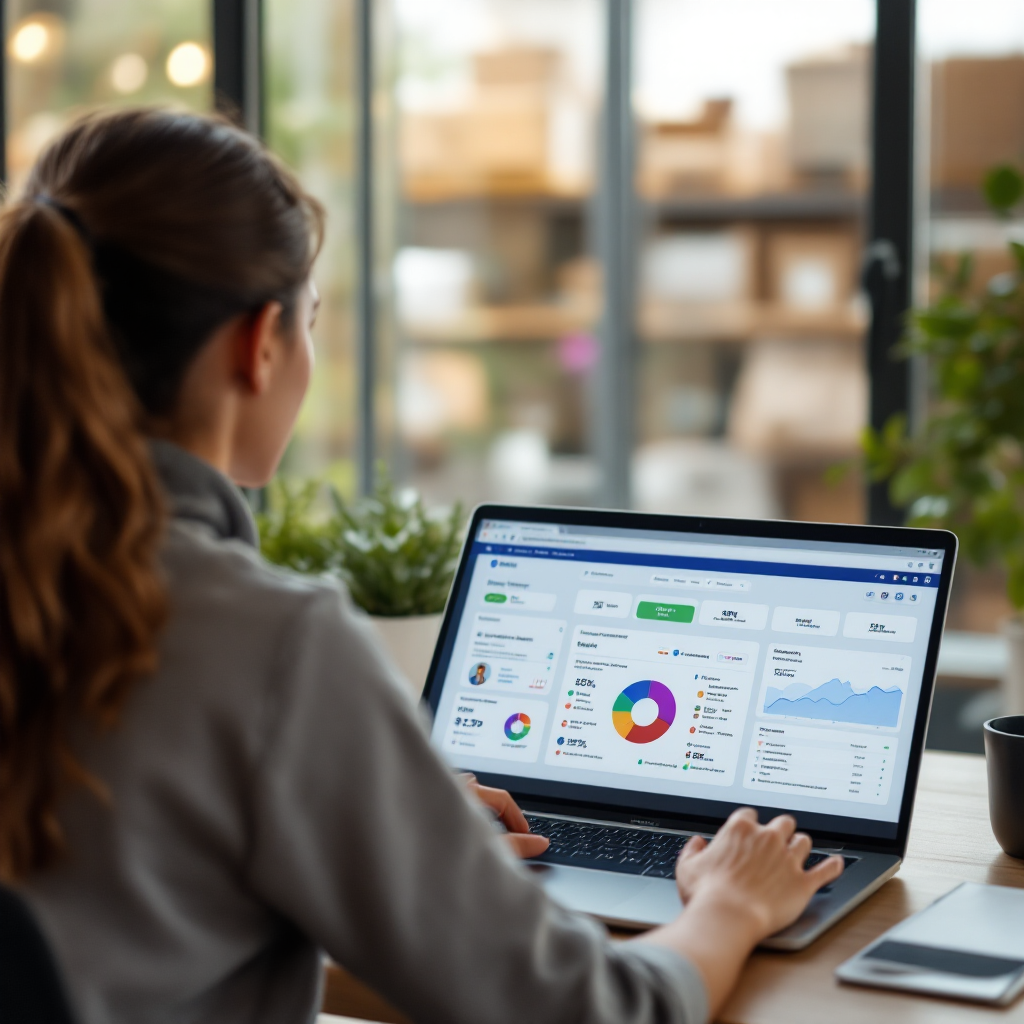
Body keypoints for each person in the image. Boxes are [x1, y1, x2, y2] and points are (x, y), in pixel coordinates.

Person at [0, 108, 843, 1024]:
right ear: (259, 344)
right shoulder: (267, 644)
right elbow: (591, 1013)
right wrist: (730, 904)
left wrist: (375, 797)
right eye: (311, 320)